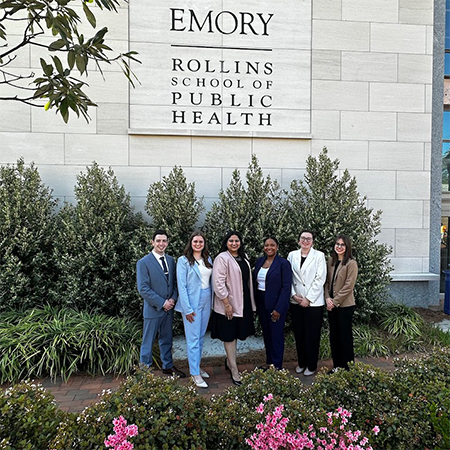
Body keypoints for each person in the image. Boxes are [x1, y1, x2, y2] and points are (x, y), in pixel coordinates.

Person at [136, 229, 185, 377]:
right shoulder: (143, 262)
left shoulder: (171, 260)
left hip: (168, 309)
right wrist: (162, 302)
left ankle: (168, 366)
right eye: (158, 241)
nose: (161, 243)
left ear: (167, 243)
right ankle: (144, 371)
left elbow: (175, 283)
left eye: (164, 241)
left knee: (166, 339)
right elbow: (143, 288)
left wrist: (173, 299)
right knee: (148, 341)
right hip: (153, 309)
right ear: (152, 242)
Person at [211, 230, 256, 385]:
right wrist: (226, 304)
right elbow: (218, 283)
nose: (234, 243)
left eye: (237, 241)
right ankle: (234, 368)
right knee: (229, 335)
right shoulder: (222, 258)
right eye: (231, 241)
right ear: (226, 243)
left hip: (242, 303)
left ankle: (229, 361)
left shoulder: (244, 257)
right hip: (228, 305)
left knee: (236, 332)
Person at [175, 231, 213, 388]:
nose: (198, 244)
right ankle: (195, 374)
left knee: (200, 336)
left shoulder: (208, 259)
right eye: (195, 241)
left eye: (201, 242)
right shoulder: (183, 261)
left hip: (206, 299)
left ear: (204, 243)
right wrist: (187, 309)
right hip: (191, 302)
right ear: (191, 243)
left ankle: (196, 366)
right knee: (192, 339)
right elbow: (181, 286)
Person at [287, 230, 326, 376]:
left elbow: (320, 278)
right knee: (299, 334)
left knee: (312, 335)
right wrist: (293, 295)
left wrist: (308, 299)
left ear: (313, 242)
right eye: (303, 238)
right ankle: (301, 363)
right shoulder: (292, 255)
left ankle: (311, 365)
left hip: (313, 302)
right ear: (298, 240)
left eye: (308, 239)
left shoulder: (319, 256)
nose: (305, 241)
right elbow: (288, 277)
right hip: (296, 300)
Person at [253, 236, 292, 370]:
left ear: (277, 247)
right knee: (267, 334)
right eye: (266, 245)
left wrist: (278, 309)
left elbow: (286, 288)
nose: (269, 247)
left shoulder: (283, 264)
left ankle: (277, 366)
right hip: (262, 302)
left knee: (276, 335)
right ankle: (269, 362)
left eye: (272, 245)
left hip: (276, 304)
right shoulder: (259, 262)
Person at [325, 234, 358, 371]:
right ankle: (336, 366)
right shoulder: (330, 261)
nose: (339, 247)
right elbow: (326, 282)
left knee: (345, 338)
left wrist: (335, 301)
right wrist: (327, 298)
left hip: (345, 306)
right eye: (337, 244)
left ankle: (348, 368)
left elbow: (349, 286)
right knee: (334, 337)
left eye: (342, 244)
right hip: (331, 306)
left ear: (347, 247)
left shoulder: (351, 263)